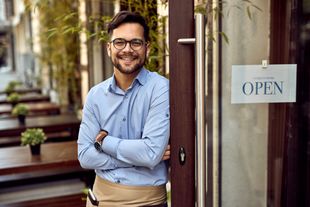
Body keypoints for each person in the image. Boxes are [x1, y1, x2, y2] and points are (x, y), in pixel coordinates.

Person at [77, 11, 170, 207]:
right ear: (109, 48)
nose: (127, 49)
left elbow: (151, 154)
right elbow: (85, 156)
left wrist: (104, 142)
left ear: (147, 48)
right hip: (100, 200)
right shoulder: (96, 94)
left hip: (147, 202)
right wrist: (138, 157)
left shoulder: (160, 89)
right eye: (119, 42)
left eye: (135, 42)